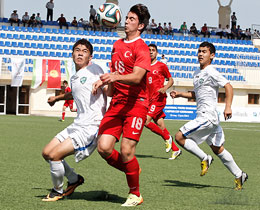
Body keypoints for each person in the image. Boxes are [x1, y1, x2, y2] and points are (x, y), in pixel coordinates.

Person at [92, 4, 151, 207]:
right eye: (126, 18)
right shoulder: (117, 45)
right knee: (103, 148)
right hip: (117, 103)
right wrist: (106, 84)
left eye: (132, 19)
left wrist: (114, 76)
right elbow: (114, 74)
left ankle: (135, 193)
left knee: (126, 150)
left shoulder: (141, 47)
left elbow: (136, 77)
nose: (126, 21)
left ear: (141, 25)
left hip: (136, 104)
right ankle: (132, 168)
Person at [170, 41, 248, 190]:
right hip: (207, 117)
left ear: (212, 55)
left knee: (179, 136)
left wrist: (228, 107)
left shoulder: (211, 71)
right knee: (218, 148)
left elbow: (228, 86)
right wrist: (180, 94)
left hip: (208, 116)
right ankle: (240, 175)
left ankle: (204, 158)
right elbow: (196, 94)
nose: (200, 54)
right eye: (199, 51)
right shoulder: (197, 73)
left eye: (204, 52)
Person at [42, 39, 107, 201]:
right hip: (77, 124)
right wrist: (57, 98)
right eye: (77, 50)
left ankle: (58, 191)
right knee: (46, 153)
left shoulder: (95, 69)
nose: (80, 53)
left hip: (91, 126)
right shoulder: (75, 76)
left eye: (84, 51)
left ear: (90, 57)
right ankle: (74, 179)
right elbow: (74, 93)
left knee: (55, 156)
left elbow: (109, 88)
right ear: (72, 54)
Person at [145, 44, 181, 160]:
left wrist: (165, 88)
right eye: (149, 50)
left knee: (145, 121)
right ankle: (176, 149)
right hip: (149, 100)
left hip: (159, 99)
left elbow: (171, 79)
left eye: (153, 50)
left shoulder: (161, 66)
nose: (150, 52)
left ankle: (167, 137)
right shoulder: (143, 66)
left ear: (157, 53)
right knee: (160, 125)